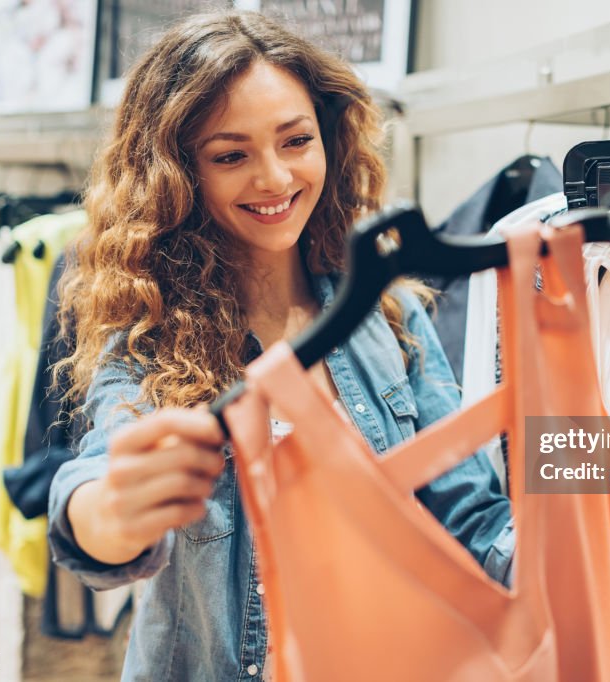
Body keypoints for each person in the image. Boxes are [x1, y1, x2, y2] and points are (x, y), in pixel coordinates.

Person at [47, 9, 515, 681]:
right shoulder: (151, 347)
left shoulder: (391, 316)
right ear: (177, 175)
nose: (274, 178)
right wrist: (113, 509)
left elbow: (470, 516)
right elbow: (97, 497)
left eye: (295, 141)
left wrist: (602, 550)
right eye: (231, 155)